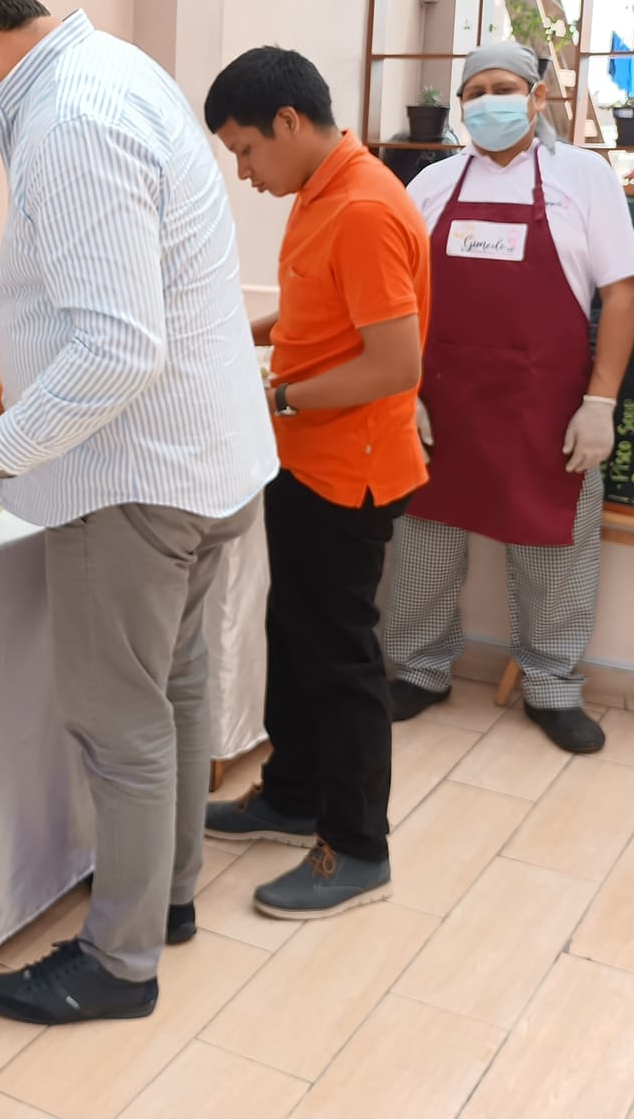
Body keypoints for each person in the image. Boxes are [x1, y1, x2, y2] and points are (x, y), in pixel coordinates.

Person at [0, 0, 275, 1024]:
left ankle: (118, 963)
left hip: (132, 475)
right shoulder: (105, 75)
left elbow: (116, 349)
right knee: (176, 692)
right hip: (208, 459)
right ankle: (169, 897)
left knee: (119, 722)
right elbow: (69, 255)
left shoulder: (67, 123)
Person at [201, 47, 430, 919]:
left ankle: (357, 845)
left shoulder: (366, 210)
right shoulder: (322, 191)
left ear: (289, 125)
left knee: (340, 657)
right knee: (290, 631)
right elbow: (316, 319)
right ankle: (293, 793)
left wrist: (278, 395)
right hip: (304, 457)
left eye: (247, 151)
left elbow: (393, 363)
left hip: (352, 470)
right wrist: (240, 337)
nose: (244, 171)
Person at [383, 42, 634, 754]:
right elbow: (398, 298)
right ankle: (416, 671)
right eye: (474, 92)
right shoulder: (430, 185)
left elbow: (622, 293)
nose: (488, 102)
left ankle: (553, 689)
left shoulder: (584, 177)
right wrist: (403, 393)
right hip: (442, 404)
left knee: (555, 548)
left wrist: (602, 404)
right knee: (424, 544)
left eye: (504, 88)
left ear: (536, 99)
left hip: (549, 407)